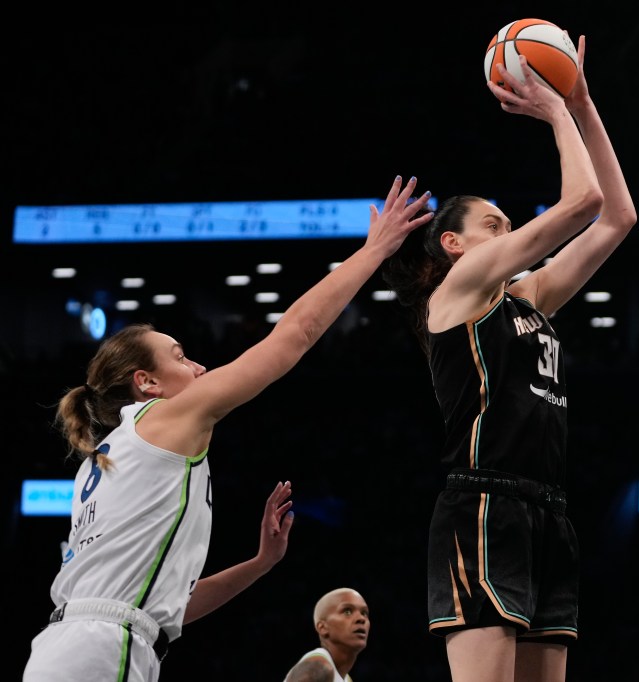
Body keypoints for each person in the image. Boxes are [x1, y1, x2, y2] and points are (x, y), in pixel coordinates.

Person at [23, 176, 434, 682]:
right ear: (146, 382)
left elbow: (172, 607)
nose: (197, 366)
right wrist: (374, 251)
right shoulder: (163, 419)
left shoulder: (107, 458)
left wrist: (260, 563)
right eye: (180, 356)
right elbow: (294, 335)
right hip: (104, 650)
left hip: (65, 649)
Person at [382, 36, 635, 682]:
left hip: (548, 510)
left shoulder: (528, 298)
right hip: (484, 505)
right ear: (453, 242)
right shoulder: (459, 289)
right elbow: (583, 203)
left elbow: (617, 217)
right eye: (494, 223)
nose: (508, 230)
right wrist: (555, 111)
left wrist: (582, 100)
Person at [283, 587, 370, 682]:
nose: (361, 618)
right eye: (347, 611)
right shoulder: (318, 667)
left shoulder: (345, 679)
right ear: (322, 627)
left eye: (364, 613)